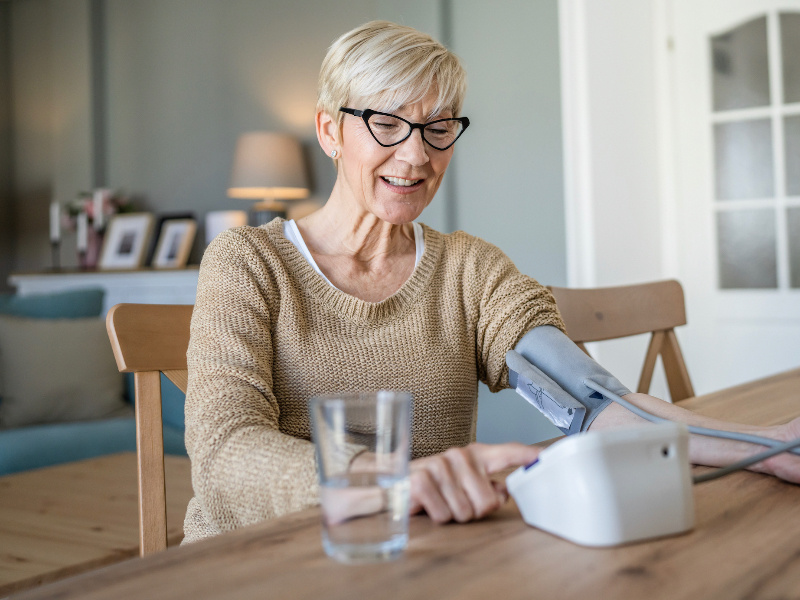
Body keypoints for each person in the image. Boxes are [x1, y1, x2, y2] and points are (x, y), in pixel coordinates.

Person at [182, 21, 800, 543]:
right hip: (259, 563)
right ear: (328, 131)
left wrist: (772, 445)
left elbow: (590, 400)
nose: (417, 155)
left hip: (416, 558)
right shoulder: (248, 264)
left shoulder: (468, 271)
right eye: (386, 123)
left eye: (437, 127)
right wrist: (391, 480)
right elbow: (224, 452)